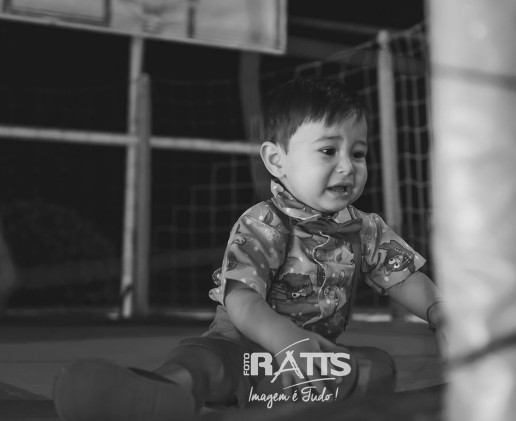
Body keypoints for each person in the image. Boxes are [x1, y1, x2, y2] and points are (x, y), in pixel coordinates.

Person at [53, 77, 445, 421]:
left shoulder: (365, 227)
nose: (348, 166)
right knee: (203, 358)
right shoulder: (264, 222)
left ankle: (281, 400)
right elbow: (241, 298)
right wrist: (286, 339)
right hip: (241, 350)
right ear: (276, 160)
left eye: (357, 153)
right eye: (329, 151)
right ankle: (164, 389)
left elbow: (402, 278)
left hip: (305, 361)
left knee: (378, 366)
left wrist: (439, 312)